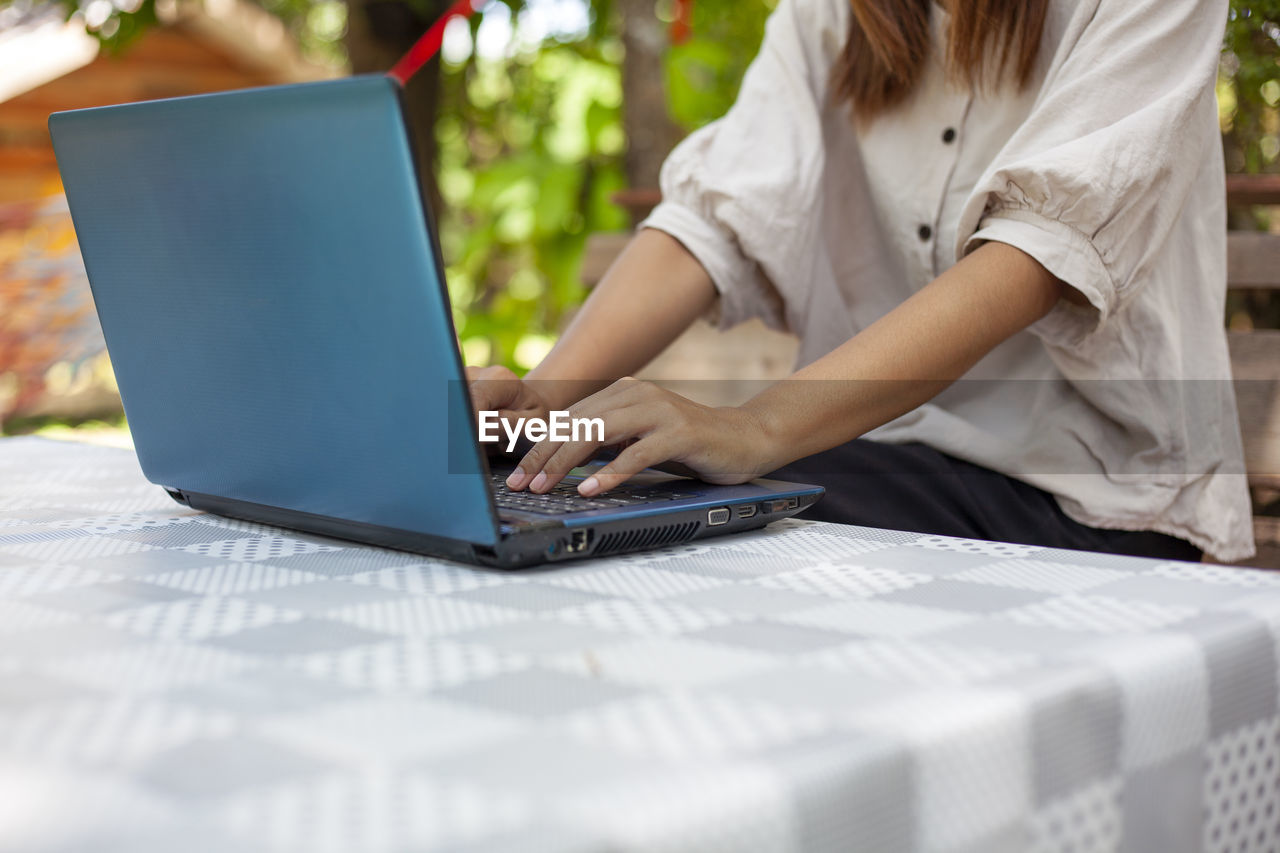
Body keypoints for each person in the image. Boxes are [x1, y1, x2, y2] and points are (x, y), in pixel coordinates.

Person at [468, 0, 1256, 564]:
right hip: (870, 460)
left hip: (1084, 495)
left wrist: (758, 426)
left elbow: (1034, 257)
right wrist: (541, 405)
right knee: (601, 502)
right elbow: (715, 221)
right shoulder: (830, 18)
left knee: (679, 544)